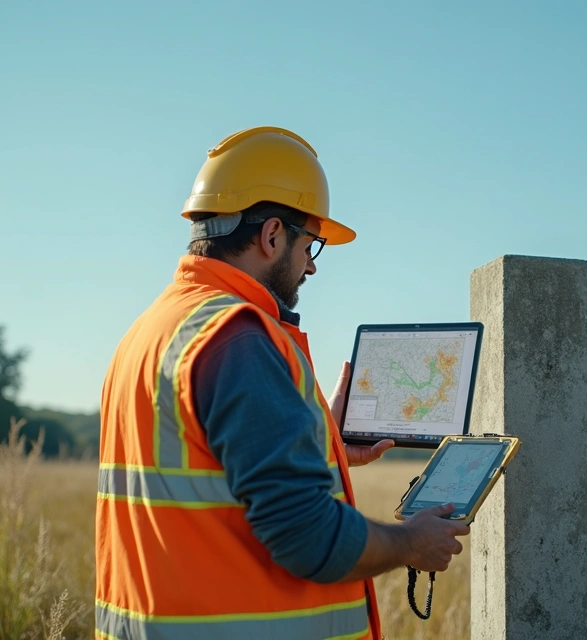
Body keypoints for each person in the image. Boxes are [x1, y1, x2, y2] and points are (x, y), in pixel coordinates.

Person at [95, 127, 470, 639]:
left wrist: (322, 440)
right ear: (272, 235)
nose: (312, 265)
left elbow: (210, 470)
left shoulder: (152, 330)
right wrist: (411, 542)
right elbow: (307, 535)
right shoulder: (236, 337)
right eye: (310, 244)